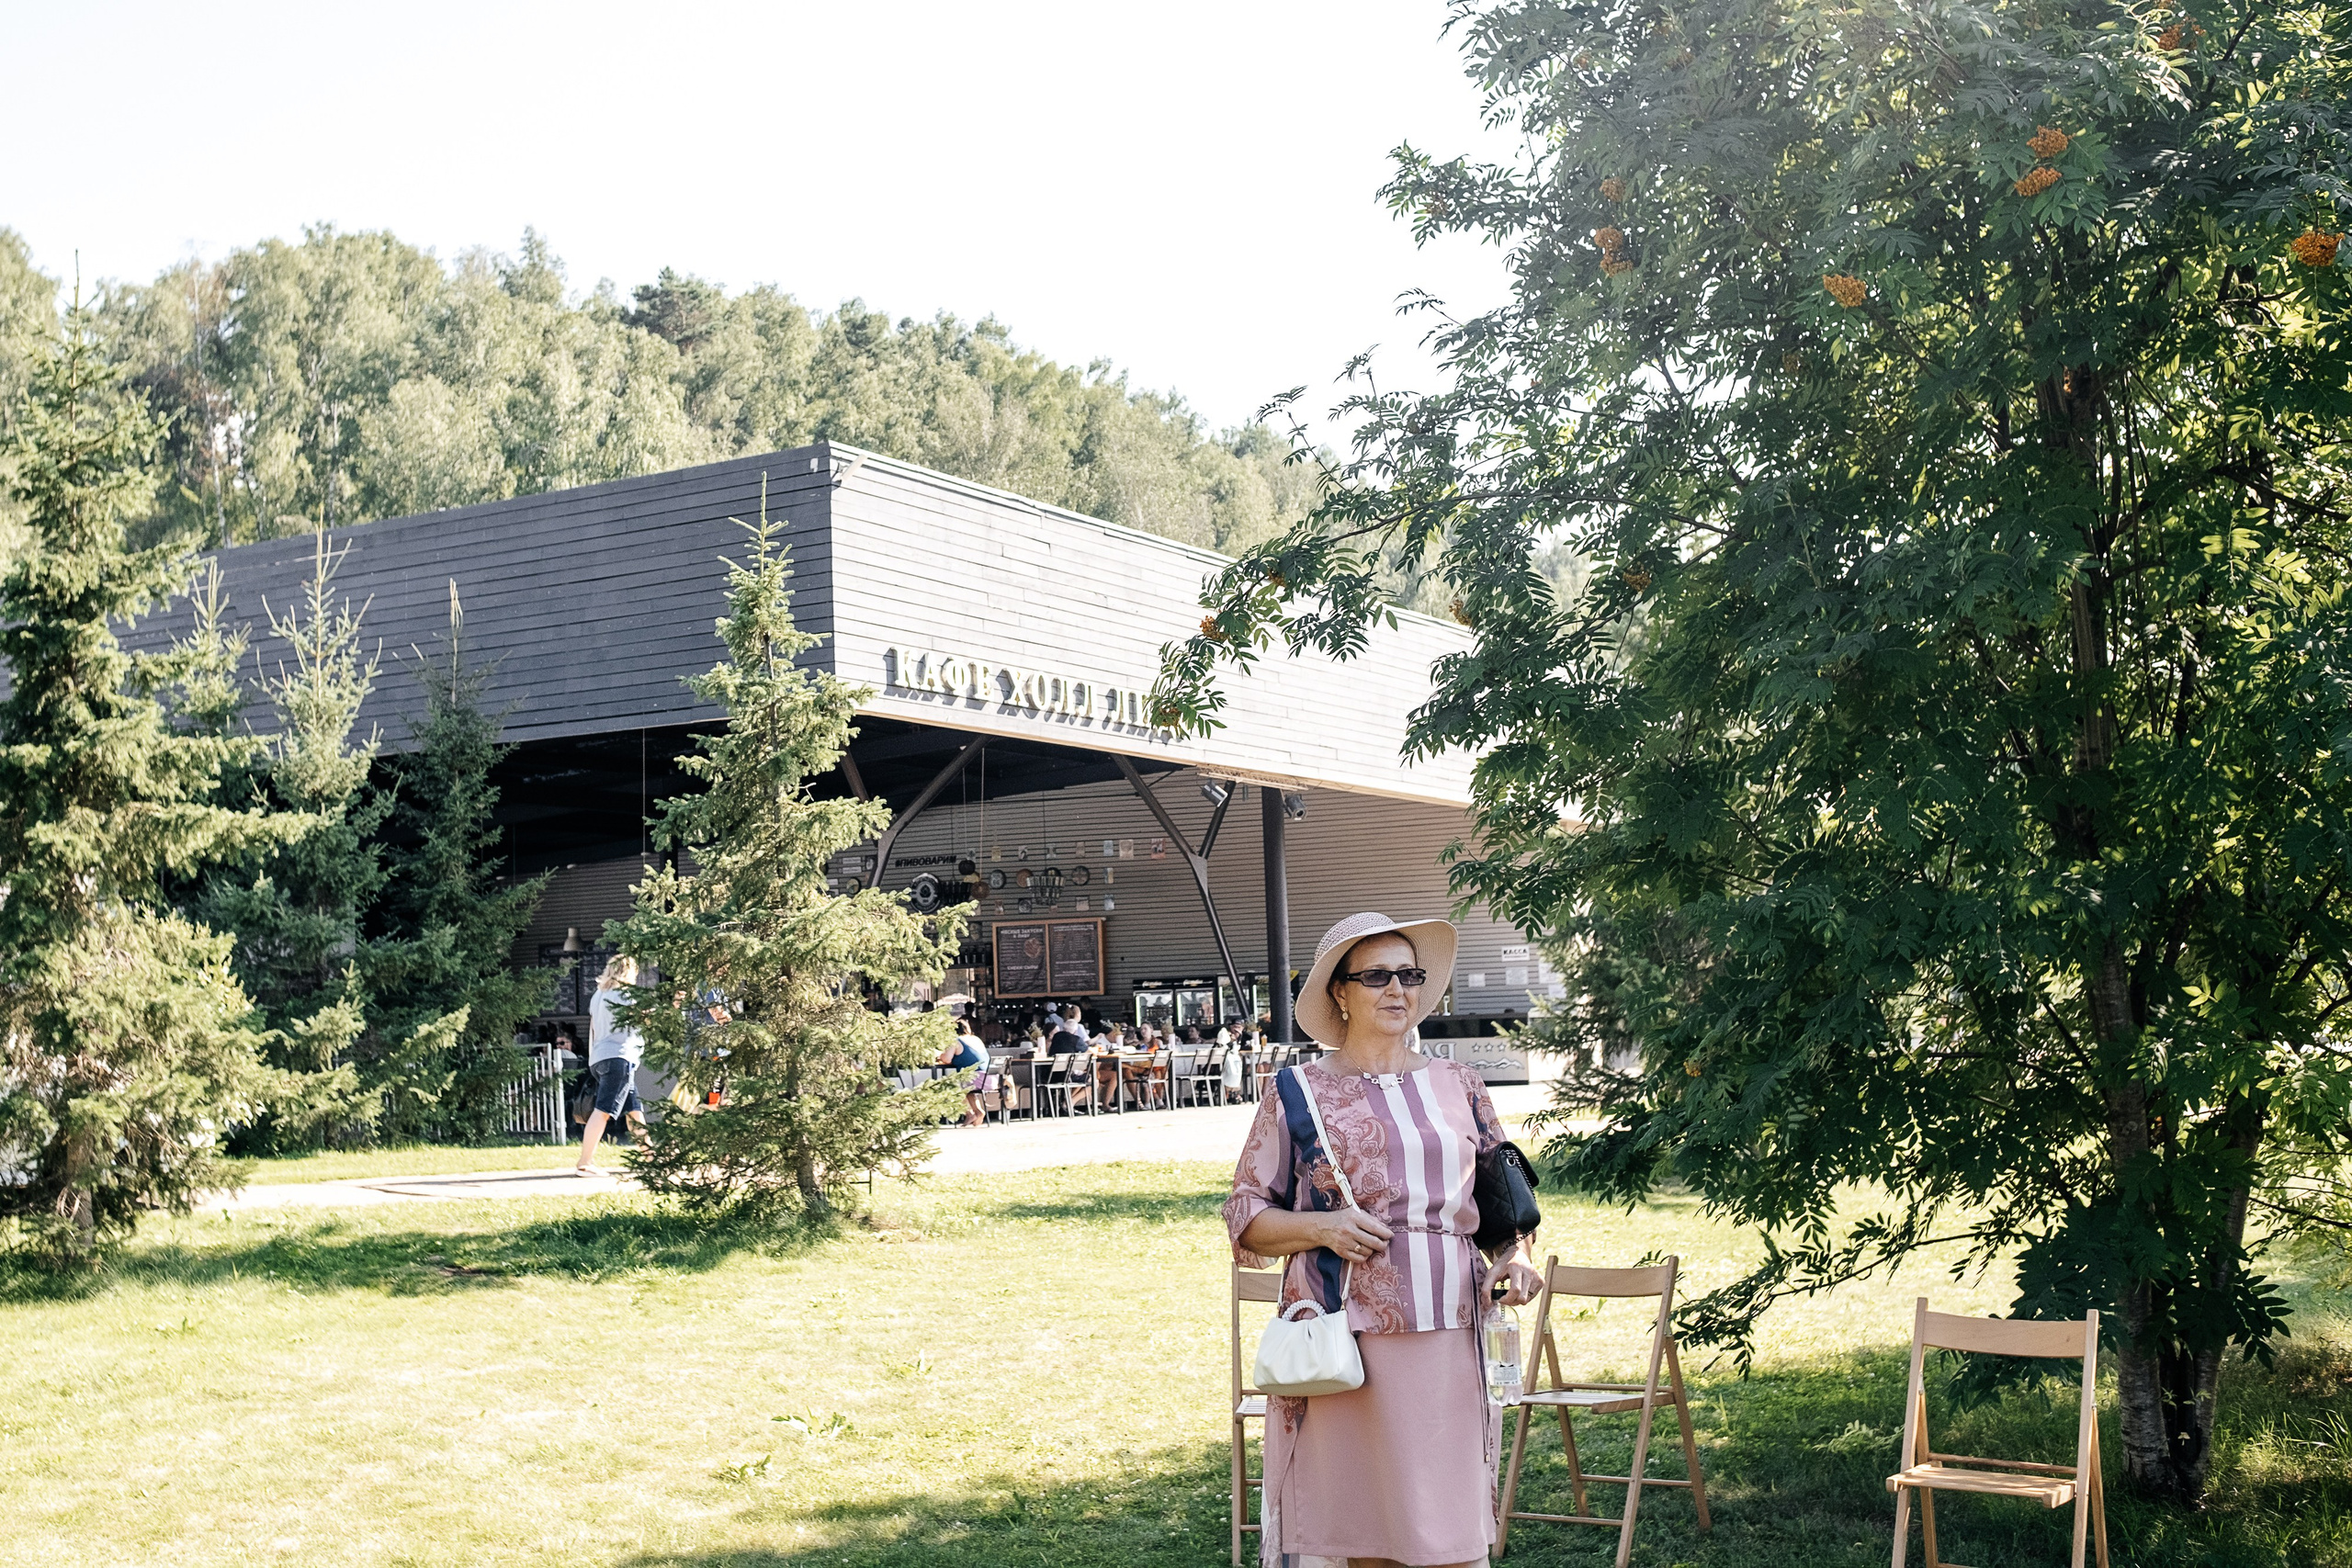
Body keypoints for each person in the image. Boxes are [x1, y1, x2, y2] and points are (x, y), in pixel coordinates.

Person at [1226, 911, 1542, 1568]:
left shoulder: (1460, 1083)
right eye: (1376, 976)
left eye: (1409, 974)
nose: (1397, 989)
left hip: (1450, 1331)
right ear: (1340, 991)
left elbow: (1503, 1202)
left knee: (1449, 1534)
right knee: (1366, 1535)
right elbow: (1246, 1215)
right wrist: (1323, 1225)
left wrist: (1515, 1258)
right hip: (1347, 1338)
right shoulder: (1297, 1091)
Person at [576, 953, 652, 1176]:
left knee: (634, 1111)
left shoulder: (598, 995)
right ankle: (585, 1162)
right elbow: (643, 1018)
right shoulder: (626, 995)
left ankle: (651, 1158)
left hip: (600, 1058)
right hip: (619, 1058)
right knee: (603, 1111)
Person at [936, 1015, 989, 1127]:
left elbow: (946, 1059)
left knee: (951, 1087)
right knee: (962, 1084)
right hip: (990, 1077)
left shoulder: (956, 1041)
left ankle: (973, 1113)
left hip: (976, 1078)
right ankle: (973, 1114)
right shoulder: (976, 1039)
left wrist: (940, 1055)